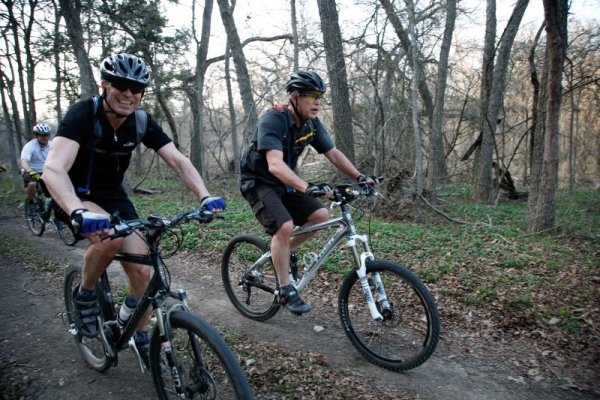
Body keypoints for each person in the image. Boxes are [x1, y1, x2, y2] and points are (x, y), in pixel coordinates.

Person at [43, 53, 226, 367]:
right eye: (121, 85)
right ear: (105, 85)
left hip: (113, 196)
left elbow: (178, 161)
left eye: (136, 88)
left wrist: (204, 196)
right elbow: (53, 169)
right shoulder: (83, 115)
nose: (128, 93)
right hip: (74, 195)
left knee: (143, 268)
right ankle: (85, 294)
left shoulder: (141, 121)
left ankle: (135, 329)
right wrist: (77, 211)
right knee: (109, 238)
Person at [239, 69, 376, 314]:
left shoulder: (311, 124)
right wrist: (308, 187)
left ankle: (284, 251)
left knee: (321, 216)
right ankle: (284, 290)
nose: (317, 102)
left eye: (320, 96)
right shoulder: (274, 120)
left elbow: (332, 153)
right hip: (259, 181)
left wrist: (359, 176)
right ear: (294, 96)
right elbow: (275, 165)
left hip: (285, 182)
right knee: (284, 226)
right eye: (311, 95)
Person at [21, 123, 52, 208]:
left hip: (45, 171)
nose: (45, 137)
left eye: (47, 135)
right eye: (42, 136)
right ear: (36, 136)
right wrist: (31, 172)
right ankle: (30, 202)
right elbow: (24, 162)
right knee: (32, 184)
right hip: (31, 170)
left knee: (54, 190)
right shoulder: (29, 146)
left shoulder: (52, 145)